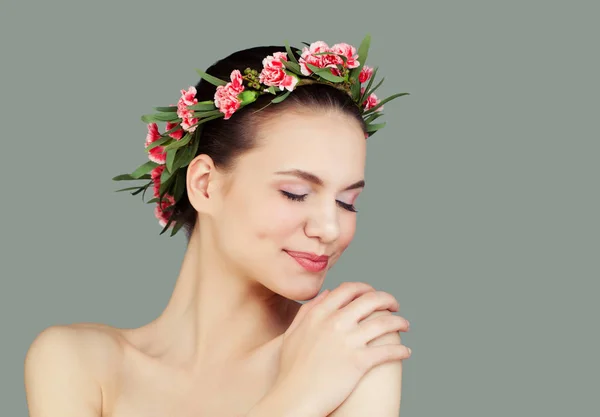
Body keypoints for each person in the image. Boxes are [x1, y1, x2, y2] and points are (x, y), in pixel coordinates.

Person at [24, 36, 412, 417]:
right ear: (205, 185)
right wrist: (300, 398)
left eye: (347, 202)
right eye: (295, 193)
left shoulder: (352, 346)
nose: (330, 228)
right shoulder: (79, 363)